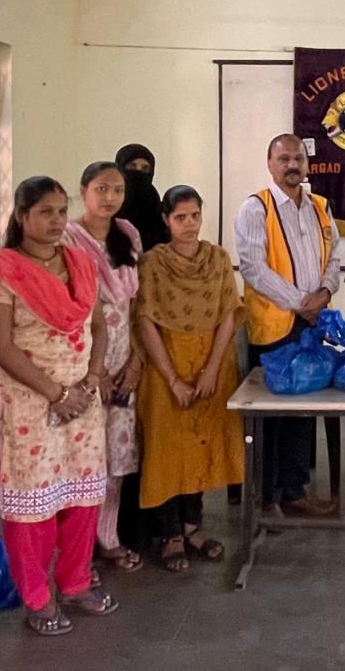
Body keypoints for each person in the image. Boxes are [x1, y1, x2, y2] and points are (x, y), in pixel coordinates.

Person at [0, 176, 116, 636]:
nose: (56, 221)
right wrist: (57, 393)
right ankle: (36, 596)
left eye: (61, 210)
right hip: (27, 403)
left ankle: (74, 581)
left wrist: (92, 377)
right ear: (21, 218)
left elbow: (99, 325)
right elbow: (0, 346)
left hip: (83, 399)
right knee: (31, 507)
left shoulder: (80, 262)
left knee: (82, 494)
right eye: (45, 212)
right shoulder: (2, 272)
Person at [135, 185, 243, 571]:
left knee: (202, 442)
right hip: (166, 365)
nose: (189, 224)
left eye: (195, 215)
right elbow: (145, 320)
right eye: (180, 217)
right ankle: (169, 536)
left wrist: (212, 369)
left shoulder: (216, 258)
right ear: (166, 220)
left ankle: (194, 527)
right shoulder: (152, 263)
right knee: (167, 448)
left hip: (211, 363)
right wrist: (172, 378)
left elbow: (229, 312)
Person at [235, 134, 340, 515]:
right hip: (275, 327)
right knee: (272, 415)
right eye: (283, 159)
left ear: (307, 163)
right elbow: (253, 268)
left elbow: (333, 259)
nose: (292, 165)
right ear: (270, 164)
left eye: (298, 158)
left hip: (311, 325)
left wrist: (324, 294)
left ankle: (294, 492)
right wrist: (300, 303)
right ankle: (265, 499)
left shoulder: (320, 207)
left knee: (302, 412)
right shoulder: (255, 208)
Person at [61, 162, 144, 574]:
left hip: (124, 357)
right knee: (83, 457)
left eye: (116, 189)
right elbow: (70, 308)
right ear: (83, 191)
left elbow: (133, 304)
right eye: (101, 188)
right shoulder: (67, 238)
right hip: (84, 364)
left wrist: (134, 360)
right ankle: (76, 551)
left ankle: (108, 537)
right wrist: (99, 373)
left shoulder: (128, 234)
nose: (109, 197)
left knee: (117, 457)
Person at [115, 143, 170, 252]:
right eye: (132, 166)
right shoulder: (110, 206)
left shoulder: (158, 209)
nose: (138, 172)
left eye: (145, 168)